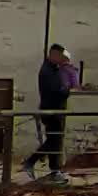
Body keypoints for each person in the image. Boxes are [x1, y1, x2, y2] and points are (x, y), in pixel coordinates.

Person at [25, 43, 73, 182]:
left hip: (55, 110)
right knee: (54, 140)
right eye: (60, 56)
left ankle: (54, 170)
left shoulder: (53, 69)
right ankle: (31, 162)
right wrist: (67, 89)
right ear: (53, 55)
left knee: (54, 140)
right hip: (51, 111)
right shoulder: (47, 71)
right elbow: (56, 91)